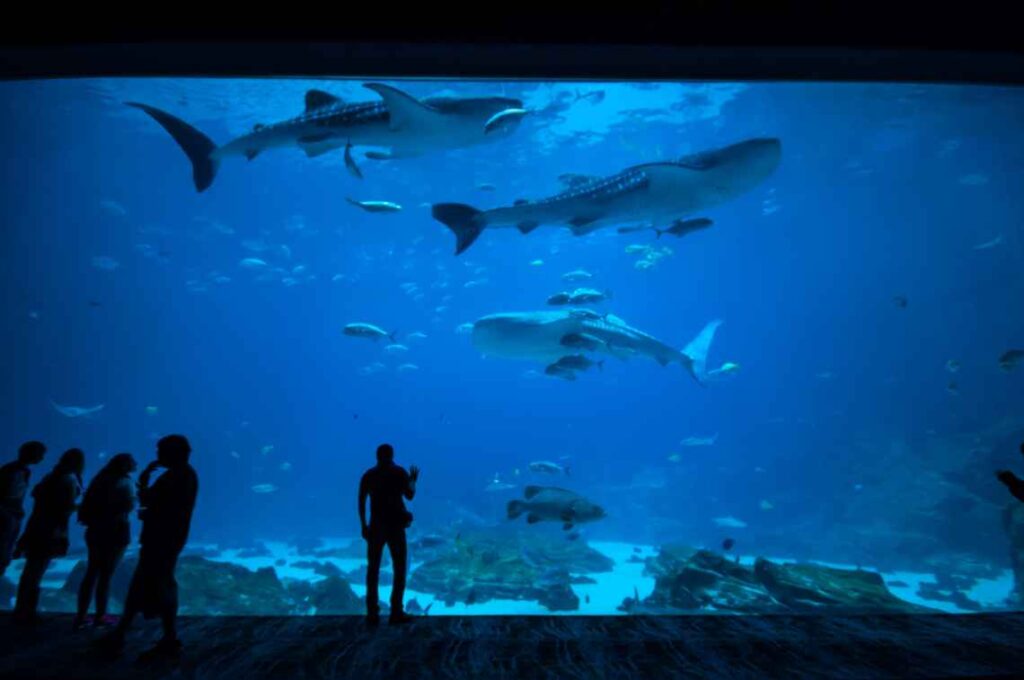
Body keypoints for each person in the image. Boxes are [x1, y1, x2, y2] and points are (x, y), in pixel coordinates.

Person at [99, 435, 198, 658]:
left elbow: (150, 501)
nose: (158, 455)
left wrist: (144, 479)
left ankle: (168, 638)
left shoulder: (177, 476)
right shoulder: (182, 475)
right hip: (164, 537)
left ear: (173, 452)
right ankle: (124, 632)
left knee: (162, 583)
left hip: (162, 539)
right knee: (143, 583)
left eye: (161, 451)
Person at [12, 447, 84, 623]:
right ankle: (27, 613)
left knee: (31, 570)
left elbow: (40, 503)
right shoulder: (67, 480)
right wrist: (82, 507)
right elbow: (64, 508)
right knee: (37, 570)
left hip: (36, 526)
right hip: (50, 530)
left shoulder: (50, 477)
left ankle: (22, 609)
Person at [74, 453, 137, 629]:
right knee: (106, 576)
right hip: (116, 530)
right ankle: (100, 615)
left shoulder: (99, 479)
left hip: (95, 530)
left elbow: (86, 507)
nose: (136, 465)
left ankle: (81, 616)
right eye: (133, 463)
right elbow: (129, 505)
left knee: (91, 572)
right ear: (126, 466)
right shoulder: (125, 482)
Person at [358, 443, 419, 626]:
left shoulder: (369, 475)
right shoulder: (399, 472)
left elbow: (360, 502)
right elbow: (410, 496)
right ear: (392, 455)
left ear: (376, 456)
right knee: (399, 568)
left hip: (376, 526)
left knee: (373, 569)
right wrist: (413, 480)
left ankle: (372, 612)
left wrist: (363, 525)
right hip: (395, 526)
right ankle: (396, 612)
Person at [0, 441, 46, 580]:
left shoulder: (25, 471)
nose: (42, 458)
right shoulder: (11, 470)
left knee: (5, 555)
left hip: (13, 516)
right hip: (5, 516)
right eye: (40, 454)